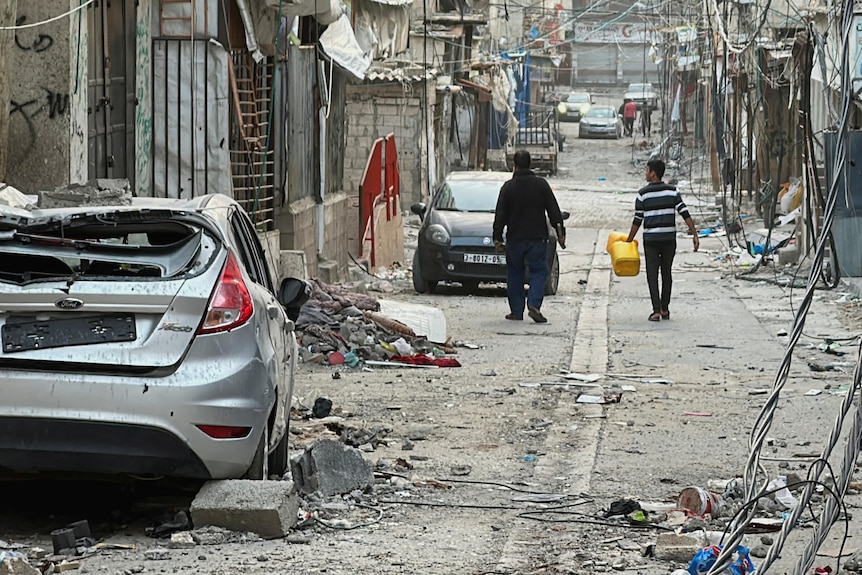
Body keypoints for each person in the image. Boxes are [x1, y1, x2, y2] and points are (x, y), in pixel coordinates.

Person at [493, 150, 566, 323]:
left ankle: (517, 311)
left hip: (515, 239)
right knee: (539, 271)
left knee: (515, 273)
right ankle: (534, 304)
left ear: (515, 165)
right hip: (537, 238)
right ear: (530, 164)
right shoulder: (541, 185)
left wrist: (497, 238)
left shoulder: (508, 187)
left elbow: (500, 215)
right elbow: (554, 211)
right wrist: (561, 232)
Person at [625, 159, 699, 322]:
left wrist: (628, 241)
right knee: (666, 273)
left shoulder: (642, 194)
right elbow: (684, 212)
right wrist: (694, 234)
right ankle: (665, 309)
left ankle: (656, 310)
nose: (645, 173)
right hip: (668, 239)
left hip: (651, 240)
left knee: (652, 275)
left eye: (647, 170)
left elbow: (637, 220)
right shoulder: (672, 192)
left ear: (653, 173)